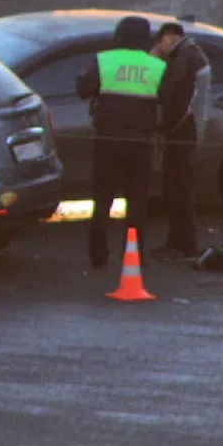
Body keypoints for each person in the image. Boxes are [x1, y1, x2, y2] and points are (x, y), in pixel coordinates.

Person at [75, 15, 165, 270]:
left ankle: (98, 255)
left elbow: (83, 89)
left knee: (102, 199)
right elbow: (168, 98)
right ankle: (134, 255)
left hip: (107, 140)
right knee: (137, 202)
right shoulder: (155, 66)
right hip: (140, 143)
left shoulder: (104, 60)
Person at [152, 21, 212, 260]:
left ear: (170, 37)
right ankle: (178, 242)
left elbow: (173, 95)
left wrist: (164, 129)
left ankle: (184, 244)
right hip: (187, 129)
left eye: (160, 41)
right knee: (177, 186)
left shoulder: (184, 58)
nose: (159, 46)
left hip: (182, 131)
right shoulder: (189, 54)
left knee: (179, 188)